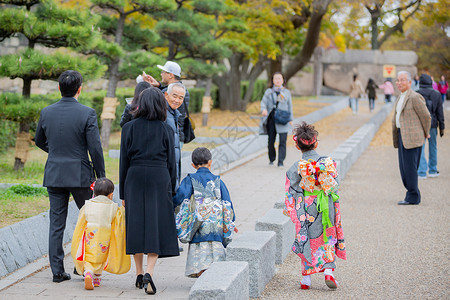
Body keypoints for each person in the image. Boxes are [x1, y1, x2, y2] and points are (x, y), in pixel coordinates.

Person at [35, 70, 105, 283]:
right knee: (90, 221)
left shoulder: (46, 112)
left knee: (56, 223)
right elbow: (95, 147)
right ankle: (85, 267)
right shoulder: (87, 113)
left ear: (59, 88)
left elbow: (39, 140)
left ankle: (57, 272)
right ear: (80, 88)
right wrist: (101, 176)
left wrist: (56, 153)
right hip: (80, 175)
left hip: (55, 173)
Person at [119, 87, 179, 295]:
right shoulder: (166, 129)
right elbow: (172, 163)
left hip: (134, 177)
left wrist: (123, 194)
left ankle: (138, 272)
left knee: (135, 223)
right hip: (159, 177)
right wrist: (171, 188)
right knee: (156, 225)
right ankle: (150, 273)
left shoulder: (128, 128)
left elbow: (123, 162)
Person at [284, 122, 346, 290]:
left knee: (306, 238)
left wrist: (292, 210)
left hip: (307, 207)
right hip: (326, 205)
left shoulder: (296, 167)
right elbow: (335, 185)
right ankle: (329, 272)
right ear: (316, 143)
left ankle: (306, 279)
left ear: (297, 146)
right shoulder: (328, 162)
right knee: (328, 235)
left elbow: (291, 191)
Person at [172, 147, 236, 277]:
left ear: (193, 165)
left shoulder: (190, 179)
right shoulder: (218, 181)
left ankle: (202, 275)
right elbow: (227, 203)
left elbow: (180, 197)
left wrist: (172, 205)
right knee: (215, 256)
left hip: (198, 227)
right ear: (210, 162)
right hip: (216, 227)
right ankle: (211, 277)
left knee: (199, 255)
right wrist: (231, 221)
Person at [71, 177, 130, 290]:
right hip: (105, 237)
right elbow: (119, 219)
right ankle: (97, 278)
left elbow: (81, 221)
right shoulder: (113, 207)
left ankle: (88, 273)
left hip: (90, 235)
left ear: (94, 192)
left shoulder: (88, 205)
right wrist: (123, 208)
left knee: (89, 256)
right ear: (111, 195)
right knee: (101, 257)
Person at [392, 71, 431, 205]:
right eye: (398, 80)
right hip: (402, 136)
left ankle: (413, 196)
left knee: (410, 168)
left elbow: (426, 117)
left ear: (410, 82)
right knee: (403, 169)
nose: (399, 83)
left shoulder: (415, 97)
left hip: (413, 138)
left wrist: (426, 132)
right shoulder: (400, 97)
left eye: (402, 80)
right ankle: (412, 193)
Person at [140, 61, 191, 146]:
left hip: (169, 136)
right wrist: (158, 85)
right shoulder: (181, 89)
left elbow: (155, 101)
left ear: (171, 75)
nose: (161, 74)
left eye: (163, 72)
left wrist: (147, 87)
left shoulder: (170, 92)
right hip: (177, 135)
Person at [260, 72, 294, 167]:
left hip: (283, 119)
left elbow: (290, 106)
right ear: (273, 80)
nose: (278, 80)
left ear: (283, 80)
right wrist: (264, 109)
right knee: (271, 141)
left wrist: (291, 119)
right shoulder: (268, 92)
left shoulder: (286, 92)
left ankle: (281, 161)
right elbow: (263, 102)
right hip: (271, 120)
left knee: (283, 141)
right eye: (276, 78)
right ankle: (272, 158)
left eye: (279, 78)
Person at [417, 74, 445, 179]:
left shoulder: (416, 93)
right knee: (433, 146)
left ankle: (421, 171)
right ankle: (433, 170)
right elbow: (440, 113)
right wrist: (442, 126)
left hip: (420, 124)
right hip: (433, 124)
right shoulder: (437, 94)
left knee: (421, 147)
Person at [164, 82, 186, 188]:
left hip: (173, 169)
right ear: (166, 95)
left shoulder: (174, 114)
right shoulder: (163, 114)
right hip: (166, 171)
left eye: (181, 98)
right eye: (174, 96)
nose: (177, 100)